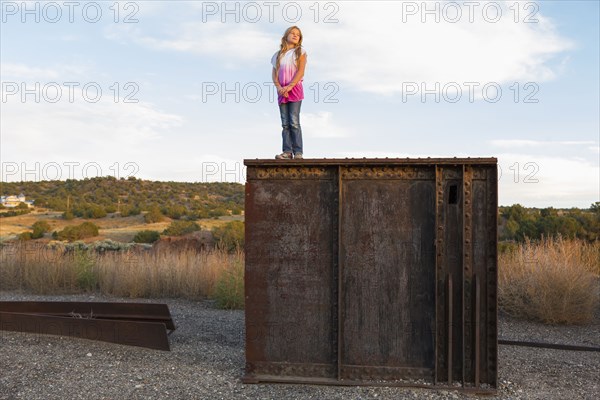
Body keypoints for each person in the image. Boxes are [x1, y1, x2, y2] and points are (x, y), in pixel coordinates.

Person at [271, 26, 307, 160]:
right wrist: (279, 87)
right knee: (285, 123)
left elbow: (301, 72)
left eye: (298, 34)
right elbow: (274, 74)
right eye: (292, 33)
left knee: (294, 122)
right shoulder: (278, 55)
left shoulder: (300, 52)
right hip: (282, 92)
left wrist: (289, 87)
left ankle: (298, 152)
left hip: (294, 90)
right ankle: (287, 152)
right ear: (286, 36)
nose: (295, 35)